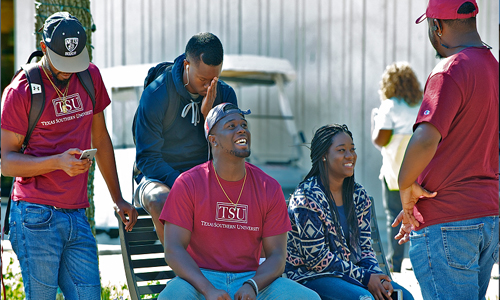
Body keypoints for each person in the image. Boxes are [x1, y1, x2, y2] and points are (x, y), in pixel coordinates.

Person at [0, 12, 138, 299]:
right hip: (35, 216)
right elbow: (7, 163)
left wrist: (119, 198)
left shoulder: (90, 76)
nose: (68, 71)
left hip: (77, 213)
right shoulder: (21, 90)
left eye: (74, 63)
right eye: (62, 62)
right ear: (44, 46)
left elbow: (100, 137)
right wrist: (57, 163)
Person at [157, 103, 320, 300]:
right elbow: (173, 249)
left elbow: (277, 255)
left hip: (252, 279)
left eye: (244, 124)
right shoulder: (188, 183)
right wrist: (208, 289)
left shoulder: (269, 187)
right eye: (231, 126)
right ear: (213, 140)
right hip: (200, 279)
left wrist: (252, 285)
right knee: (171, 296)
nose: (242, 129)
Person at [393, 1, 499, 299]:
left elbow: (426, 138)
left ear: (436, 26)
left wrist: (405, 186)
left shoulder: (449, 69)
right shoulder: (493, 68)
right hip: (487, 216)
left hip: (447, 219)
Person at [286, 124, 414, 300]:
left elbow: (366, 249)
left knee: (403, 296)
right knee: (363, 298)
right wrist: (366, 278)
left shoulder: (358, 195)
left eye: (352, 149)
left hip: (352, 275)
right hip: (311, 276)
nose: (350, 156)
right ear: (324, 156)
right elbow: (316, 259)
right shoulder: (307, 197)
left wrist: (378, 278)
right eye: (341, 150)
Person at [134, 32, 237, 245]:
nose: (210, 87)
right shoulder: (157, 94)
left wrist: (209, 121)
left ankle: (223, 270)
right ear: (187, 64)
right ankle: (182, 271)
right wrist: (184, 185)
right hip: (160, 177)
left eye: (214, 79)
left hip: (206, 177)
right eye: (203, 79)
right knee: (161, 200)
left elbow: (231, 157)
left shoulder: (225, 94)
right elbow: (147, 159)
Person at [370, 62, 422, 273]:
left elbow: (381, 139)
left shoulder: (389, 106)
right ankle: (420, 261)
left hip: (395, 171)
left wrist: (374, 123)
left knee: (394, 214)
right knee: (421, 215)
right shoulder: (421, 103)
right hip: (420, 168)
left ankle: (396, 263)